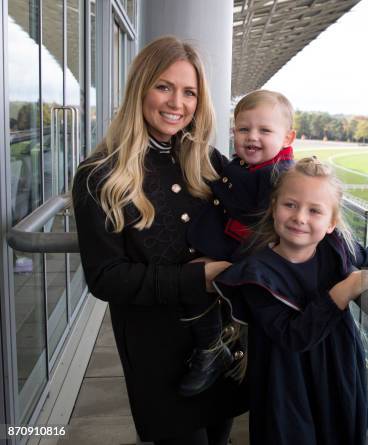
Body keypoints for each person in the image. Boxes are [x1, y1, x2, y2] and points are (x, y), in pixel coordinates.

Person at [72, 36, 247, 444]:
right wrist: (197, 279)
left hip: (220, 343)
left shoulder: (205, 161)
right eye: (164, 86)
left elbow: (261, 209)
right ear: (140, 88)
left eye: (189, 92)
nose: (177, 103)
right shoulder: (100, 175)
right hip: (159, 353)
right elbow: (105, 278)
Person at [214, 158, 368, 445]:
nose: (300, 217)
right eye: (290, 205)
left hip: (337, 374)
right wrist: (347, 288)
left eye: (314, 211)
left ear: (331, 223)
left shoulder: (338, 248)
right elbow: (293, 336)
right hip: (286, 387)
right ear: (274, 207)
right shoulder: (256, 274)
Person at [178, 90, 296, 396]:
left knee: (195, 278)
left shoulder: (281, 177)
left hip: (255, 258)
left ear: (288, 138)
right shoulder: (247, 166)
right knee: (192, 278)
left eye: (265, 130)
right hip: (235, 246)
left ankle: (213, 348)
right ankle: (216, 346)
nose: (252, 137)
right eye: (244, 129)